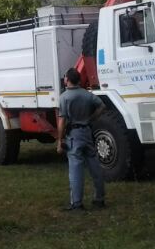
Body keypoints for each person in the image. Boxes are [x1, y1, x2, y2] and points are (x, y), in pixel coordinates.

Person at [56, 67, 106, 210]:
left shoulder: (64, 97)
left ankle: (77, 204)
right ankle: (99, 199)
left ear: (68, 80)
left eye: (65, 77)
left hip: (74, 136)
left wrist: (60, 141)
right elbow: (102, 106)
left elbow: (62, 121)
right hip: (87, 132)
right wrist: (91, 118)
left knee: (76, 169)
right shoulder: (87, 94)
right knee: (95, 167)